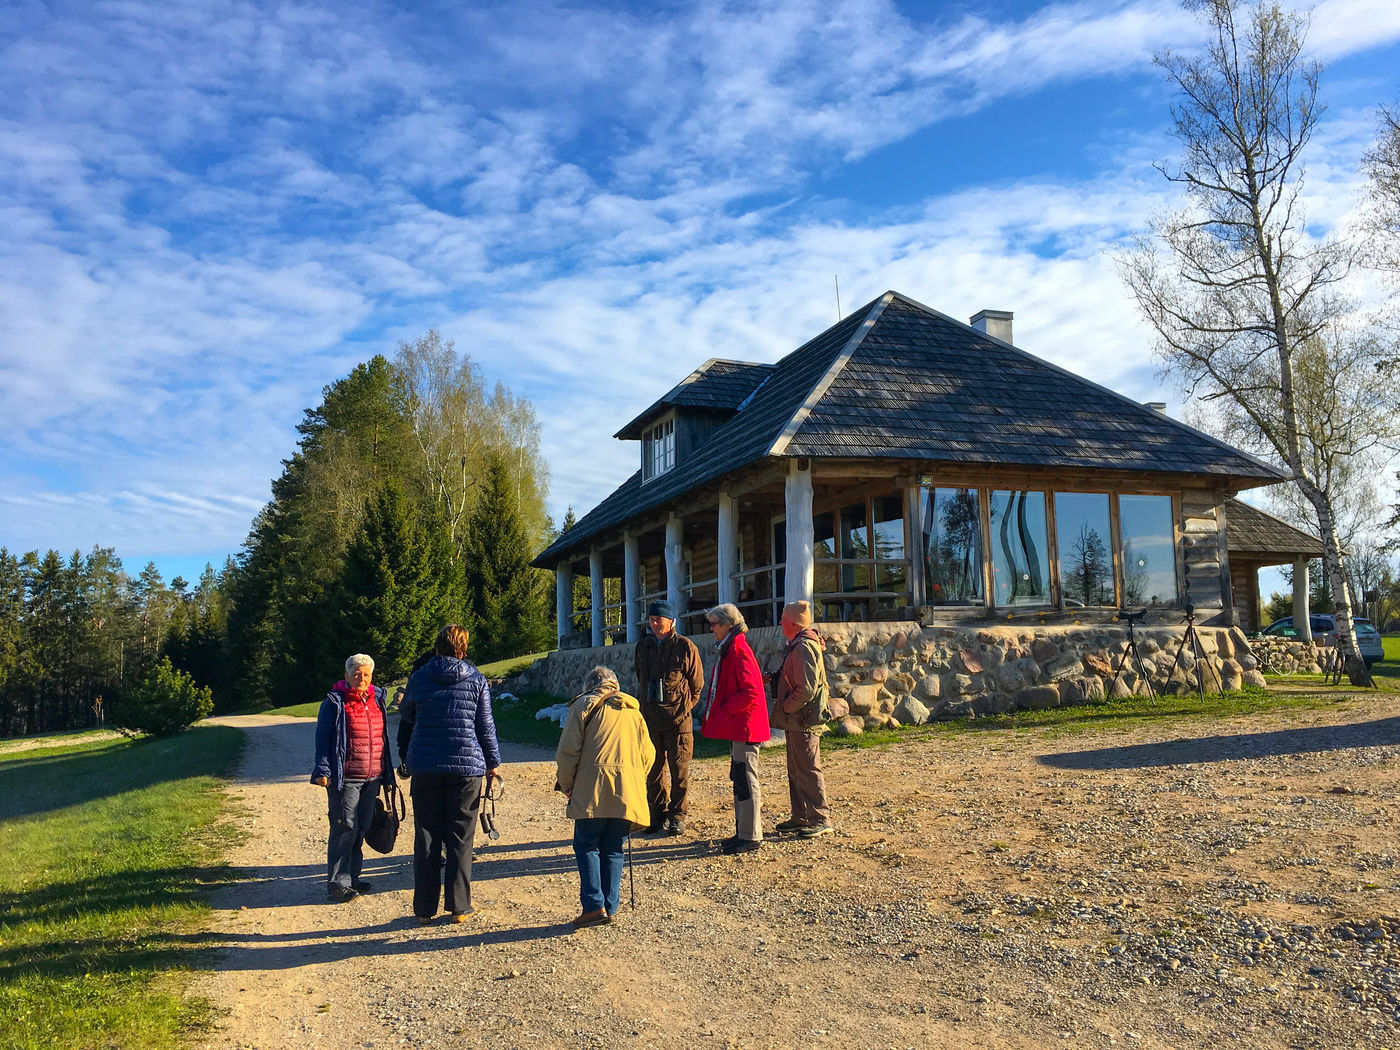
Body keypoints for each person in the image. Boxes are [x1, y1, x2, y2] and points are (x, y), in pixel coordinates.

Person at [397, 624, 501, 923]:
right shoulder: (477, 680)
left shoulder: (419, 678)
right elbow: (485, 726)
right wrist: (493, 762)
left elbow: (407, 714)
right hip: (466, 769)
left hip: (427, 766)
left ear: (437, 648)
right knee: (460, 837)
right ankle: (458, 906)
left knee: (427, 837)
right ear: (463, 650)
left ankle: (425, 909)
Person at [554, 665, 655, 927]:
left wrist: (566, 784)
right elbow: (649, 755)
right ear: (614, 685)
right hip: (627, 791)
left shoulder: (582, 706)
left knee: (586, 844)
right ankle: (610, 907)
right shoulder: (634, 712)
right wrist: (634, 780)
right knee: (614, 849)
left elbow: (568, 751)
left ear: (590, 685)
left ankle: (593, 906)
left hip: (592, 789)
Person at [311, 653, 392, 903]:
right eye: (356, 673)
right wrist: (323, 770)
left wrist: (387, 773)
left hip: (372, 776)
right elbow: (323, 740)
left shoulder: (377, 700)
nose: (362, 678)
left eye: (366, 674)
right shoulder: (335, 703)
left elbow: (383, 740)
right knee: (344, 827)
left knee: (361, 827)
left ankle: (352, 878)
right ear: (347, 675)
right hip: (345, 777)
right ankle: (338, 883)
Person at [699, 603, 770, 854]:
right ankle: (743, 831)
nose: (712, 629)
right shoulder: (732, 648)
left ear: (728, 624)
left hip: (745, 727)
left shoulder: (739, 649)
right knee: (739, 777)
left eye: (715, 624)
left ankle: (751, 835)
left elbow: (750, 691)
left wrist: (726, 709)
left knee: (746, 779)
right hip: (740, 727)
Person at [632, 598, 704, 836]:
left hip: (678, 721)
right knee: (653, 770)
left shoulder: (685, 647)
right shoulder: (643, 646)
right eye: (651, 620)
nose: (654, 624)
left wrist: (684, 708)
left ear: (671, 621)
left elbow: (697, 685)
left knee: (679, 769)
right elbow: (639, 675)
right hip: (650, 719)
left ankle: (677, 816)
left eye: (658, 620)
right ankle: (656, 815)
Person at [770, 601, 833, 839]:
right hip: (797, 718)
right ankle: (801, 817)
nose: (780, 623)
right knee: (797, 768)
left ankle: (820, 818)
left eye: (783, 618)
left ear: (794, 623)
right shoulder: (799, 644)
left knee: (807, 768)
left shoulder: (805, 646)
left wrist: (786, 707)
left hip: (803, 719)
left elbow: (806, 689)